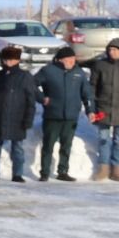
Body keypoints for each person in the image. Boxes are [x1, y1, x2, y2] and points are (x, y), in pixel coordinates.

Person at [34, 46, 94, 182]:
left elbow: (87, 94)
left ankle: (63, 171)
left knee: (66, 145)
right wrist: (42, 97)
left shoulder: (79, 73)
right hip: (52, 115)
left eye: (73, 59)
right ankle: (44, 172)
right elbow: (31, 84)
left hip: (71, 116)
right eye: (68, 59)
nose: (72, 62)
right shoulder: (48, 71)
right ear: (60, 60)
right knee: (48, 144)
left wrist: (90, 110)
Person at [0, 45, 37, 182]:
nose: (8, 63)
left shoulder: (25, 77)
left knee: (17, 148)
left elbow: (31, 100)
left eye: (11, 60)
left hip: (17, 118)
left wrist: (28, 119)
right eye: (5, 60)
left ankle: (17, 174)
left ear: (17, 61)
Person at [88, 38, 119, 181]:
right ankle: (103, 168)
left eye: (115, 50)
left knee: (118, 141)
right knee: (103, 139)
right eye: (110, 49)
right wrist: (92, 109)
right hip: (103, 108)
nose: (111, 52)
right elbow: (92, 87)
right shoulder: (100, 65)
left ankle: (116, 168)